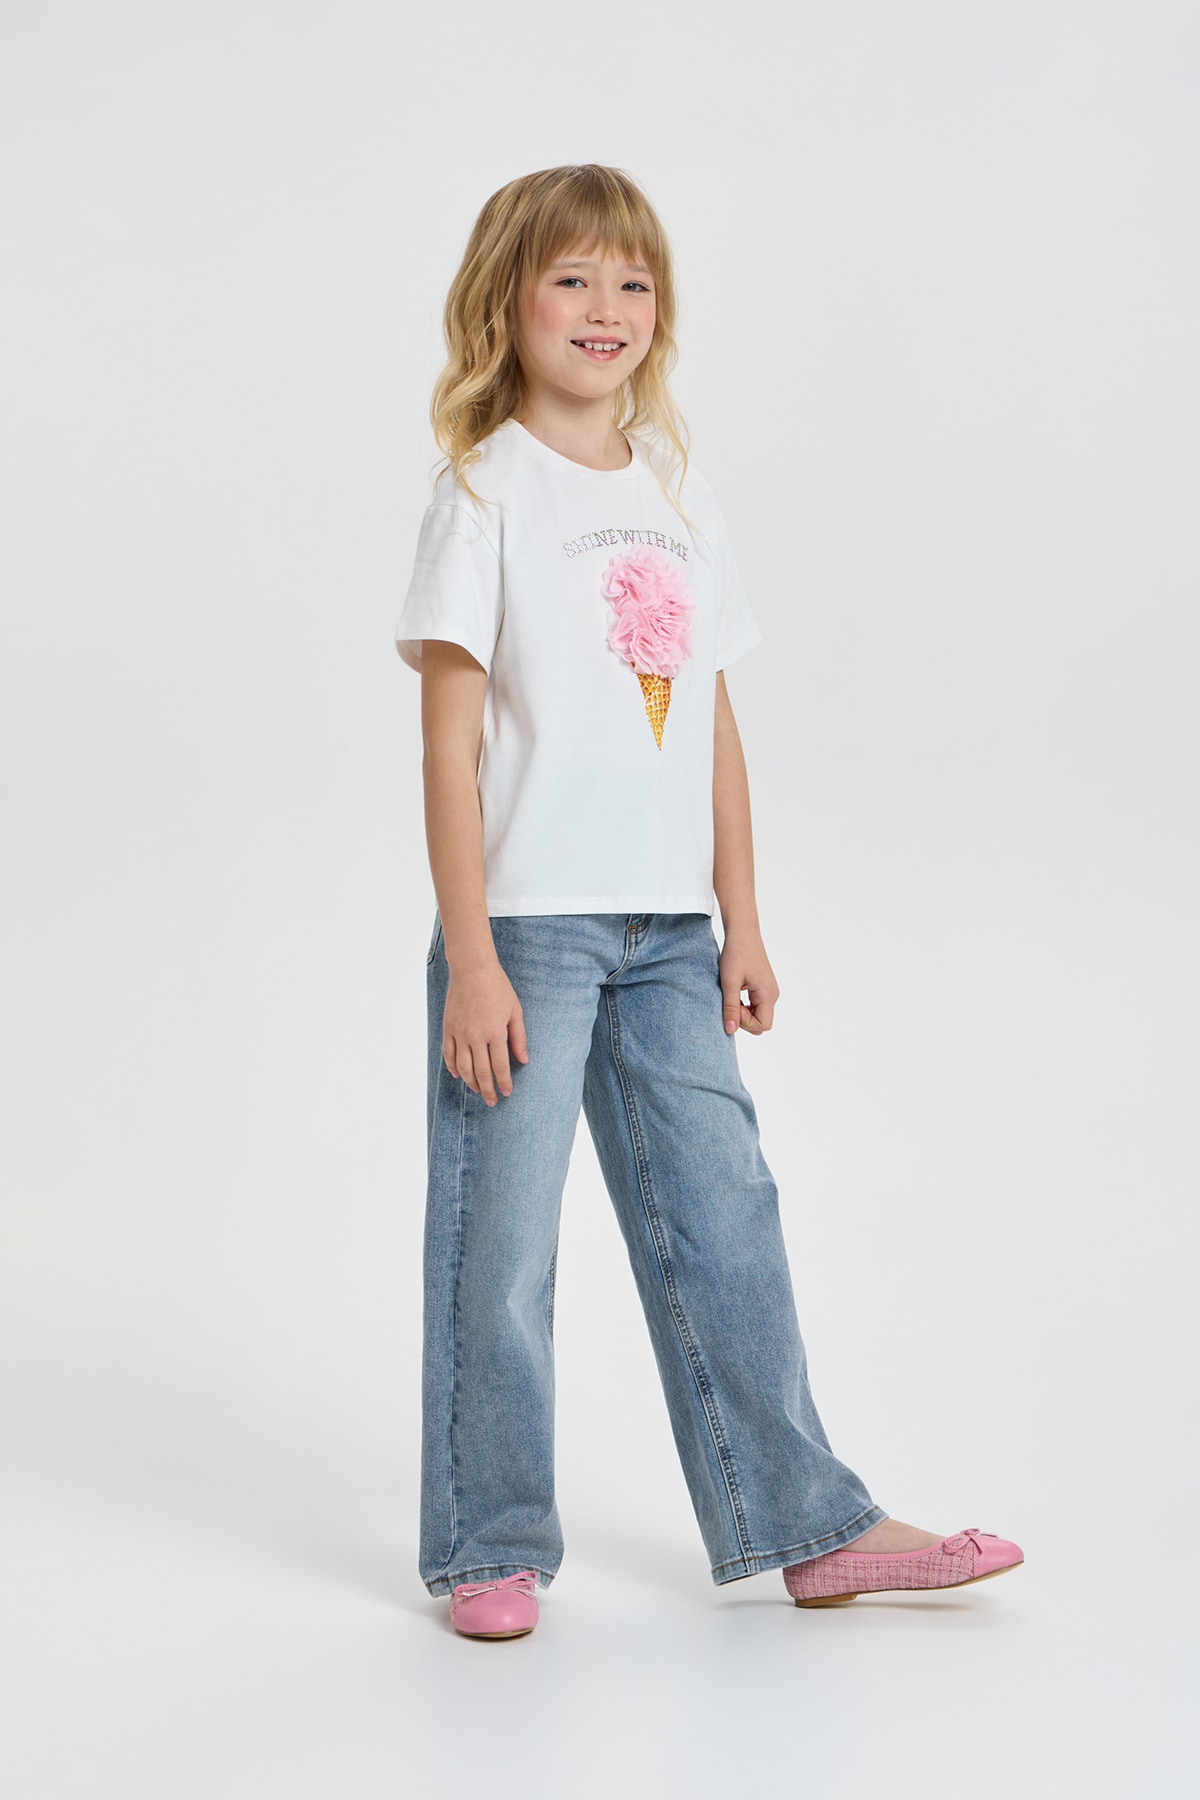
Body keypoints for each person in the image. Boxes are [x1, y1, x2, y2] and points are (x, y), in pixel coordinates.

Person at [393, 164, 1023, 1641]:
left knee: (727, 1215)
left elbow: (715, 730)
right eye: (570, 278)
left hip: (671, 934)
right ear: (506, 301)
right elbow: (447, 747)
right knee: (502, 1246)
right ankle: (488, 1540)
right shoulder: (483, 493)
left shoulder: (676, 491)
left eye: (632, 280)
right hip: (530, 935)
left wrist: (741, 916)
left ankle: (810, 1523)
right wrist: (473, 959)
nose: (604, 307)